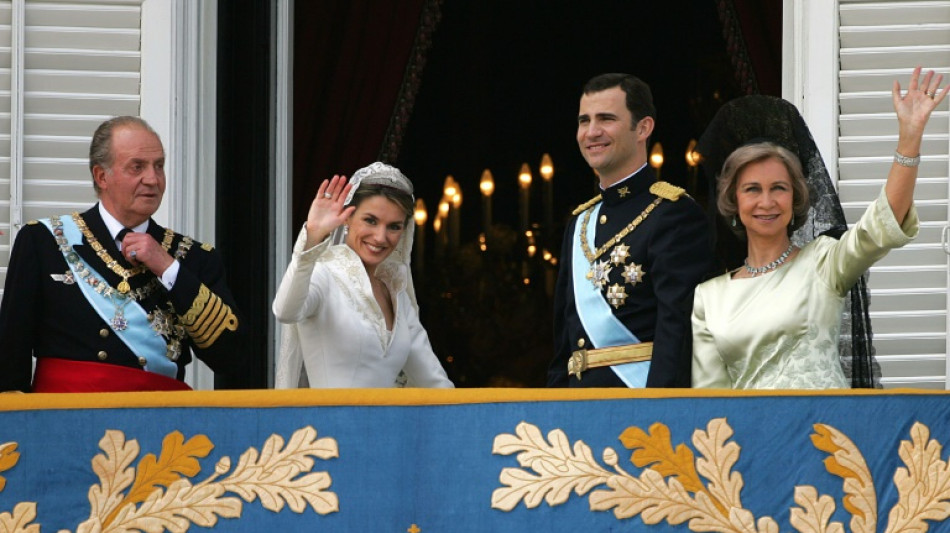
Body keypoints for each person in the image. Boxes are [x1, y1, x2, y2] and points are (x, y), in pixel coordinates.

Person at [692, 67, 947, 389]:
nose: (767, 202)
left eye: (779, 188)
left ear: (797, 197)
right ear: (733, 201)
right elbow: (710, 398)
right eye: (752, 189)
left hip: (826, 430)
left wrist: (910, 139)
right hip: (753, 437)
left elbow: (883, 224)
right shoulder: (708, 296)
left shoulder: (824, 263)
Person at [0, 116, 246, 392]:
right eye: (137, 167)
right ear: (102, 176)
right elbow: (10, 357)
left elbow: (231, 357)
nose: (152, 179)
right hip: (65, 422)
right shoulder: (44, 242)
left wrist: (168, 269)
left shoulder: (192, 257)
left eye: (159, 166)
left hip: (159, 425)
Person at [546, 73, 715, 388]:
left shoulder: (674, 214)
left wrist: (655, 414)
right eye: (584, 121)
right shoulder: (579, 224)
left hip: (638, 410)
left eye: (606, 119)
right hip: (576, 414)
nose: (592, 132)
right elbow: (563, 347)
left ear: (643, 128)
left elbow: (676, 334)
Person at [272, 162, 454, 388]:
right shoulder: (322, 274)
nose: (380, 237)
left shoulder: (396, 293)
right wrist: (312, 238)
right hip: (329, 423)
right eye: (371, 220)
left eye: (394, 227)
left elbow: (434, 382)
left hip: (387, 424)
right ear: (346, 217)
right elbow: (285, 311)